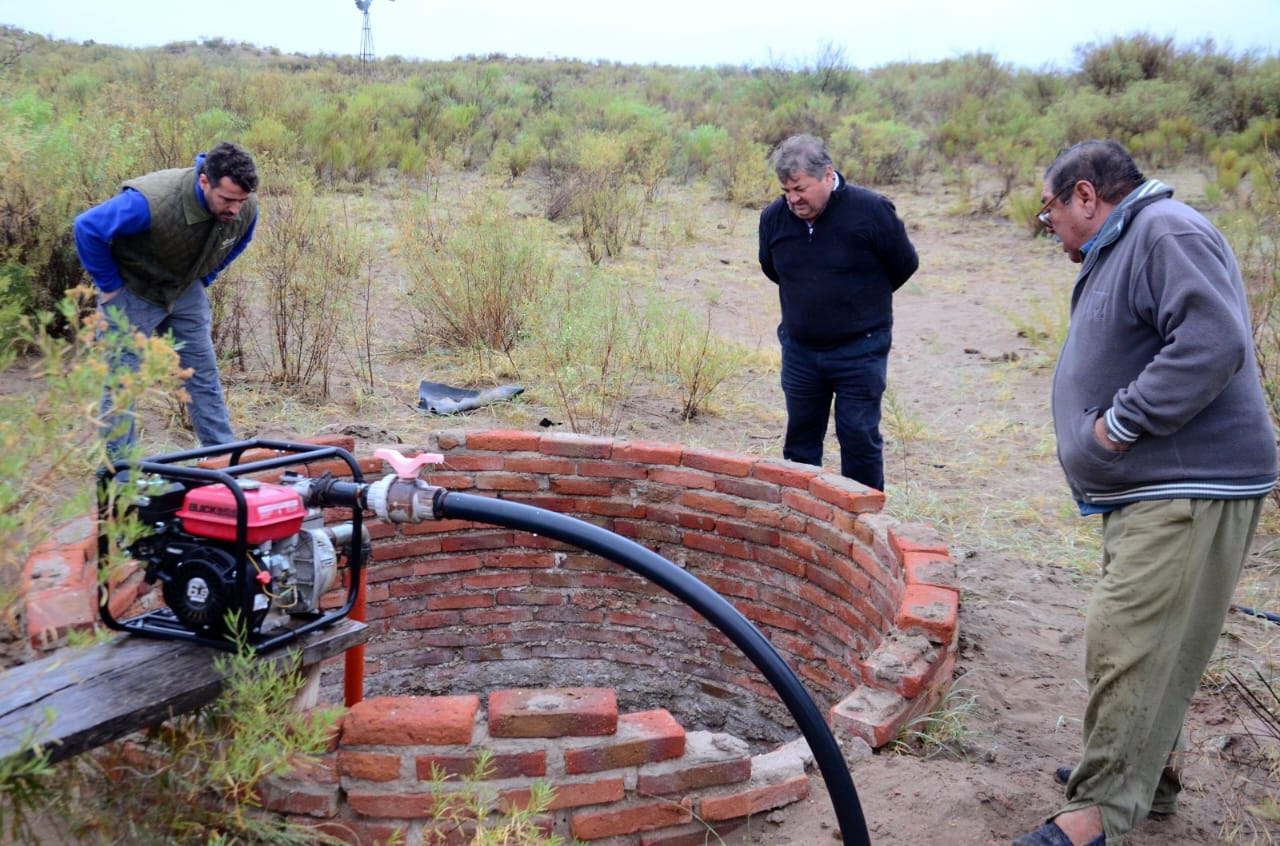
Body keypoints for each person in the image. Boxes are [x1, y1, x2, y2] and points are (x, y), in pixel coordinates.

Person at [1014, 140, 1277, 846]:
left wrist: (1121, 423)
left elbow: (1213, 342)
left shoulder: (1165, 230)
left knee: (1125, 638)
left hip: (1190, 486)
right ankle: (1149, 776)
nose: (1053, 229)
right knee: (1151, 640)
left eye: (1051, 212)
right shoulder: (1130, 241)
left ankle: (1096, 814)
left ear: (1084, 196)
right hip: (1154, 489)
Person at [75, 141, 259, 461]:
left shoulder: (244, 207)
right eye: (227, 199)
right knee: (122, 385)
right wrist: (110, 288)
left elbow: (239, 241)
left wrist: (204, 279)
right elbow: (87, 228)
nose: (235, 209)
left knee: (203, 379)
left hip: (184, 291)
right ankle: (122, 475)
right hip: (132, 292)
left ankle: (224, 462)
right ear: (204, 181)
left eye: (241, 200)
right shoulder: (150, 201)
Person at [758, 134, 918, 491]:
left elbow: (904, 264)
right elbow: (772, 269)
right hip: (800, 351)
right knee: (800, 443)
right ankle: (802, 520)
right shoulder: (774, 218)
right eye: (786, 191)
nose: (793, 199)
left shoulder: (871, 211)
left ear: (827, 175)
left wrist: (857, 302)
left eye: (800, 188)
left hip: (859, 350)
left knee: (859, 438)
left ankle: (862, 528)